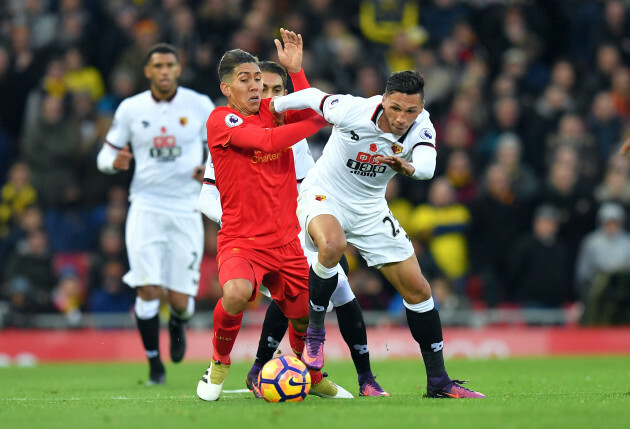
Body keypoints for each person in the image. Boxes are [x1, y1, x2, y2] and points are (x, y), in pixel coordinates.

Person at [272, 70, 486, 398]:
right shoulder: (352, 110)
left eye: (410, 111)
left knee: (418, 290)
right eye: (396, 108)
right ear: (384, 100)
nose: (402, 118)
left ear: (422, 107)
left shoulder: (422, 126)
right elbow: (312, 97)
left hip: (371, 210)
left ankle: (439, 382)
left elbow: (428, 166)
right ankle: (315, 335)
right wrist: (273, 105)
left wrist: (410, 168)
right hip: (324, 194)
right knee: (332, 244)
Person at [199, 60, 389, 397]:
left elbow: (316, 107)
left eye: (259, 79)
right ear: (227, 88)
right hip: (243, 241)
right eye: (246, 80)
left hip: (288, 242)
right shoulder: (221, 119)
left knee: (304, 318)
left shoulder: (275, 111)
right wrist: (317, 120)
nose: (256, 86)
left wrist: (298, 74)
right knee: (238, 293)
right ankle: (219, 362)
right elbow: (272, 141)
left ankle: (310, 378)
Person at [96, 43, 215, 385]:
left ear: (179, 69)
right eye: (158, 65)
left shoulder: (199, 105)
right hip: (145, 207)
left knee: (179, 301)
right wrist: (112, 163)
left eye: (170, 65)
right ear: (147, 71)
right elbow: (106, 153)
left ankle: (178, 321)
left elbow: (219, 150)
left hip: (186, 209)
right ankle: (155, 367)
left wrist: (207, 169)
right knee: (148, 289)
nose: (164, 71)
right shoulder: (131, 108)